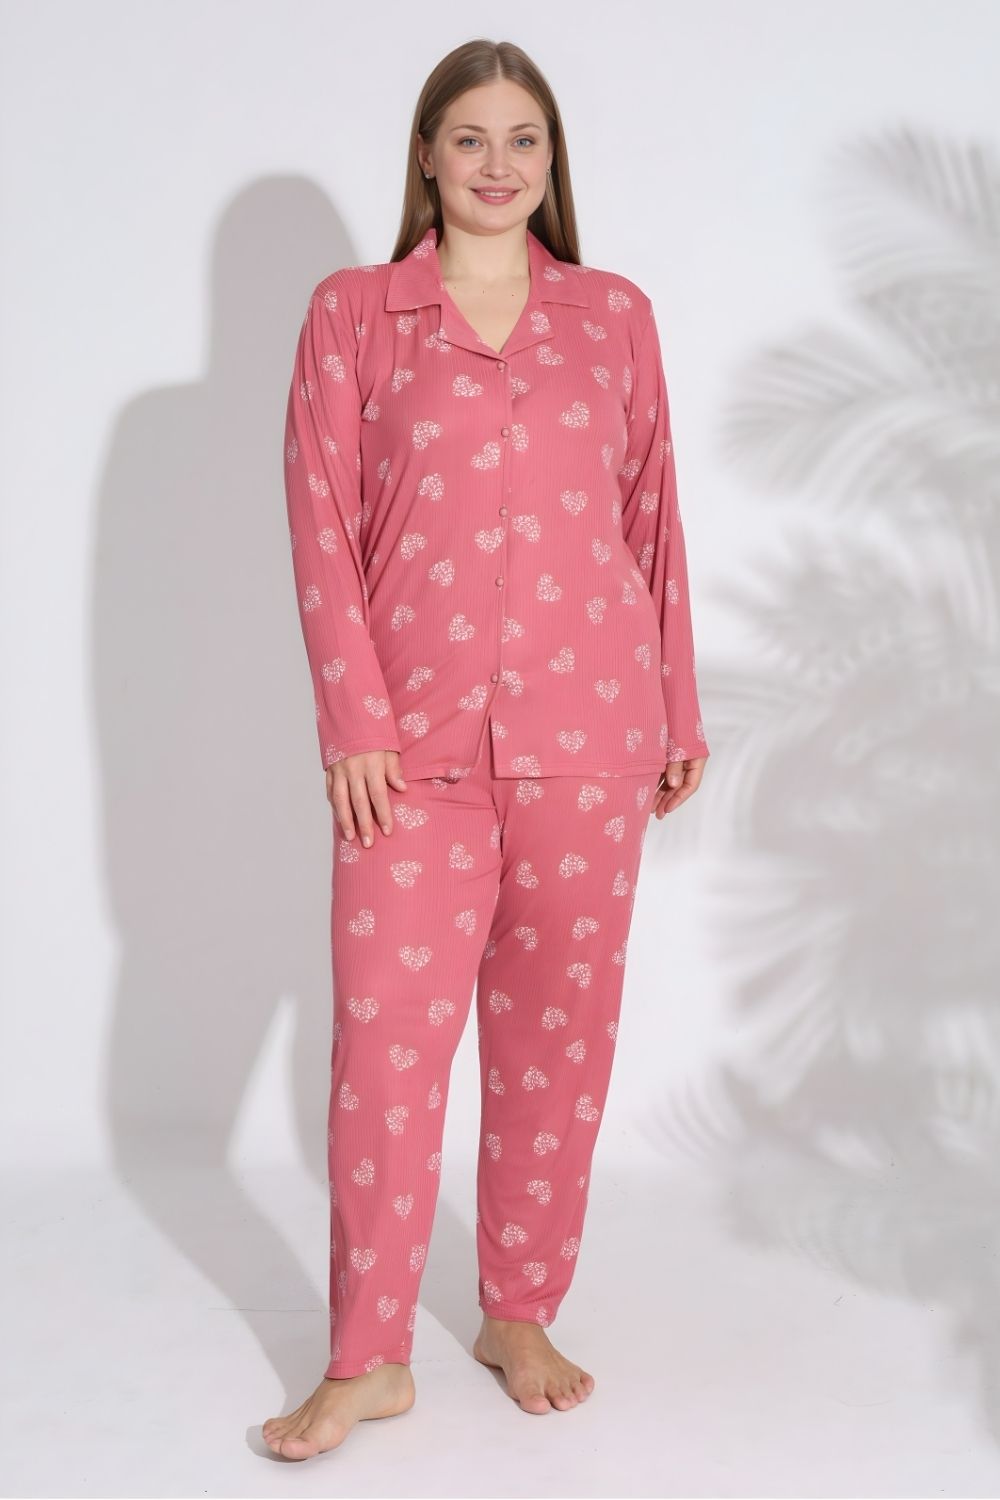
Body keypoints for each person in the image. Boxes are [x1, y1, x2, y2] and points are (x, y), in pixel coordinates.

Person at [263, 36, 710, 1460]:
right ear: (427, 155)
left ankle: (519, 1312)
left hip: (592, 735)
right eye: (471, 138)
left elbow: (653, 514)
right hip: (411, 755)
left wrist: (679, 704)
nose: (498, 164)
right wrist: (352, 719)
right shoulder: (356, 315)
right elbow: (320, 519)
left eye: (524, 139)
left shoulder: (613, 316)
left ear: (552, 160)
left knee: (556, 1043)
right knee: (385, 1054)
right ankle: (367, 1357)